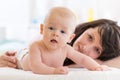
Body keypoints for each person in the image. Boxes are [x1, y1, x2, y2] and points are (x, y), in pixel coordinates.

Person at [15, 7, 109, 74]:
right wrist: (53, 71)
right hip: (21, 57)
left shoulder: (66, 49)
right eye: (51, 28)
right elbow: (35, 66)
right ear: (42, 29)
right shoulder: (35, 46)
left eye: (62, 31)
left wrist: (96, 66)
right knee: (13, 55)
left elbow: (82, 59)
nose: (56, 33)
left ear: (70, 38)